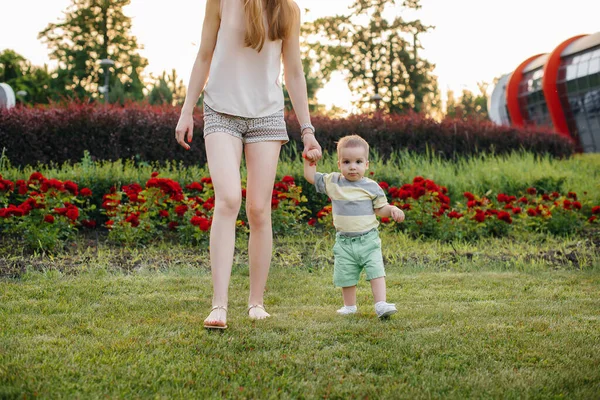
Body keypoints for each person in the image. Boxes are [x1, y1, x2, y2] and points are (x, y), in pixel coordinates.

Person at [175, 0, 322, 330]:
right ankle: (219, 306)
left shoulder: (288, 10)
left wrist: (307, 130)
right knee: (228, 200)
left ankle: (256, 302)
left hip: (266, 116)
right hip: (220, 111)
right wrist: (187, 110)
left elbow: (294, 71)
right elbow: (204, 55)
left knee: (258, 210)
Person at [303, 135, 404, 318]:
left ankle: (381, 304)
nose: (352, 166)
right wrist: (310, 160)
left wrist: (392, 210)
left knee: (375, 270)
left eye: (358, 161)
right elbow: (310, 177)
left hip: (368, 239)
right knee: (346, 273)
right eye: (347, 161)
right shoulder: (333, 182)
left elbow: (380, 209)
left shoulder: (371, 187)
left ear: (366, 164)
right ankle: (349, 306)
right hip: (344, 241)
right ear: (339, 164)